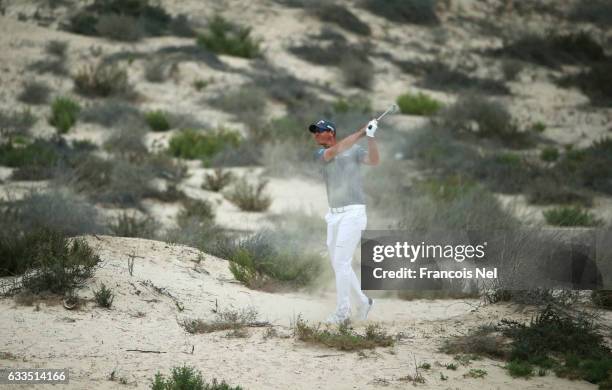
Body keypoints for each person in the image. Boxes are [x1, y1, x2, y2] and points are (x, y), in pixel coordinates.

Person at [309, 117, 380, 324]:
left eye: (319, 131)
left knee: (341, 262)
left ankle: (342, 312)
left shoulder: (355, 150)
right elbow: (335, 151)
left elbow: (374, 161)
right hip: (333, 216)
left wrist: (371, 138)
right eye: (314, 131)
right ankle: (364, 302)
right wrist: (361, 132)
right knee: (339, 263)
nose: (315, 134)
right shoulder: (321, 153)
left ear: (330, 132)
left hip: (353, 213)